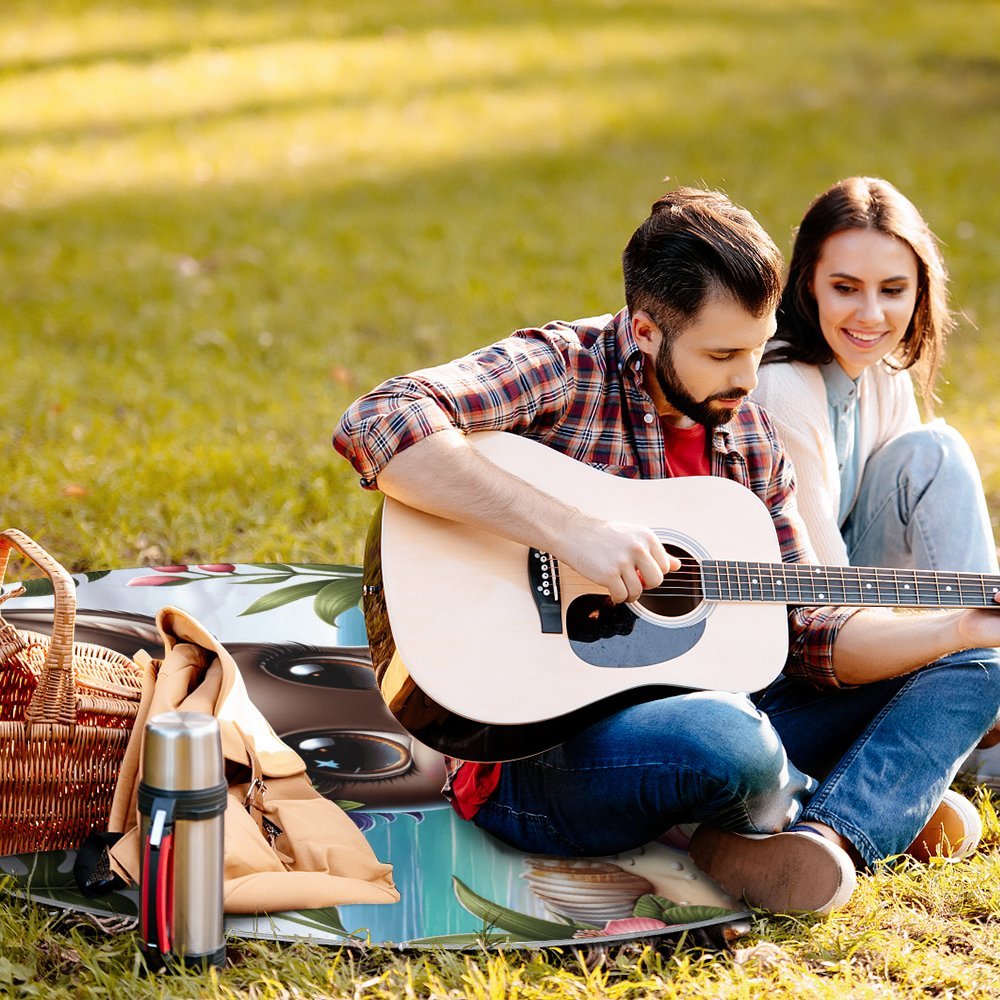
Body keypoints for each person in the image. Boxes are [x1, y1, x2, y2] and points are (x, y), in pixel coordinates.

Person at [333, 188, 1000, 916]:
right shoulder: (564, 367)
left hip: (727, 709)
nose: (748, 380)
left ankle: (831, 836)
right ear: (646, 331)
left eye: (757, 346)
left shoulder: (747, 435)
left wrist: (956, 628)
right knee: (729, 742)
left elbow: (810, 629)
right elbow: (380, 419)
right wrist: (568, 530)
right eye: (722, 354)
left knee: (980, 664)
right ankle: (852, 795)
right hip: (538, 757)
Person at [753, 176, 1000, 819]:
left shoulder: (883, 375)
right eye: (845, 288)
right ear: (807, 282)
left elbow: (914, 561)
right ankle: (974, 707)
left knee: (933, 451)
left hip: (861, 617)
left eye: (893, 290)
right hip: (794, 651)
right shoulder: (783, 387)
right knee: (936, 452)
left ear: (919, 291)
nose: (871, 316)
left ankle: (973, 698)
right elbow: (822, 606)